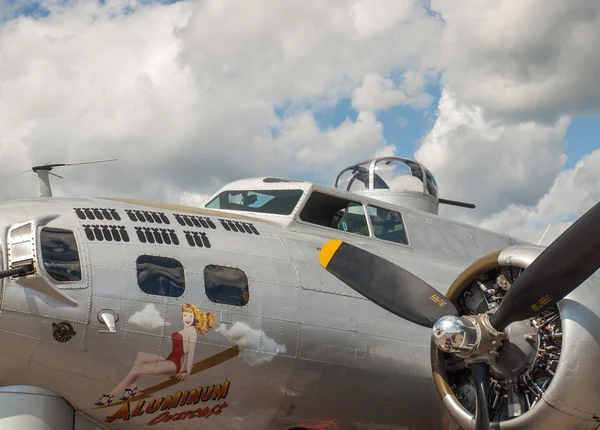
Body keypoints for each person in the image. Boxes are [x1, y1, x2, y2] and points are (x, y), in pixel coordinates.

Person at [94, 303, 216, 406]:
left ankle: (109, 396)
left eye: (190, 316)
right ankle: (132, 389)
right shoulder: (183, 330)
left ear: (195, 318)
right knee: (141, 355)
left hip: (175, 365)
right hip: (169, 359)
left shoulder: (192, 332)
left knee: (137, 369)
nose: (187, 318)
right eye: (185, 315)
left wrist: (187, 372)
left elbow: (191, 353)